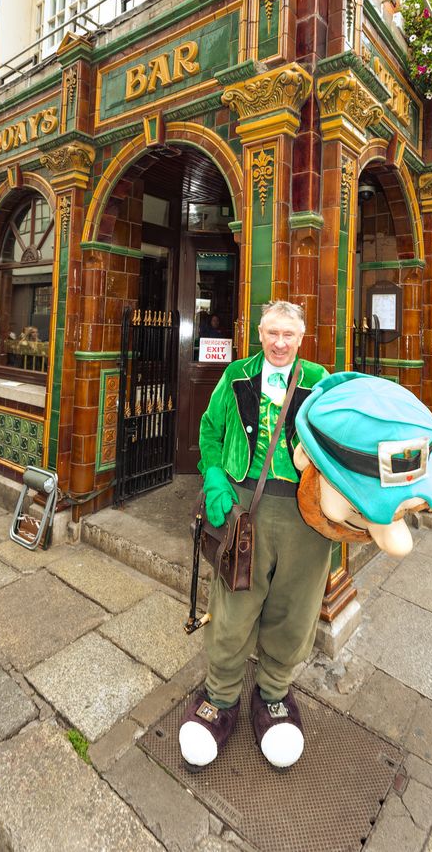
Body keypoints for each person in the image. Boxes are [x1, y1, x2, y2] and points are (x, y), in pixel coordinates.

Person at [179, 300, 329, 770]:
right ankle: (221, 697)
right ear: (258, 335)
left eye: (288, 334)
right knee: (233, 602)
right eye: (271, 333)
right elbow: (209, 430)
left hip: (308, 515)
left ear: (301, 337)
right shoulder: (237, 375)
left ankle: (274, 694)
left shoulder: (322, 382)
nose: (279, 342)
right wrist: (214, 475)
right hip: (245, 507)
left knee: (296, 606)